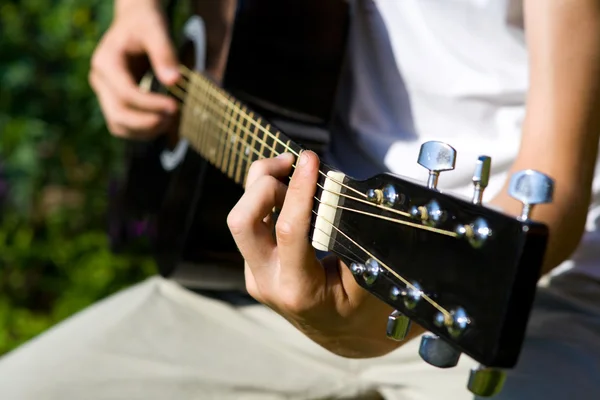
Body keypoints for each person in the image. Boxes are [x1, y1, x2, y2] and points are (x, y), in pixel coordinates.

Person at [1, 0, 600, 399]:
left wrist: (360, 331)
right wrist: (135, 11)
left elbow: (553, 189)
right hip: (274, 269)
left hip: (507, 291)